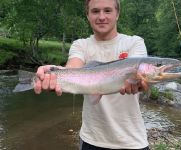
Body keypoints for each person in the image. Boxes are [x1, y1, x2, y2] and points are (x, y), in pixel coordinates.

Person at [34, 0, 150, 149]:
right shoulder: (80, 45)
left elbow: (141, 74)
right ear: (87, 15)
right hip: (91, 140)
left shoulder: (134, 42)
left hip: (132, 141)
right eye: (95, 11)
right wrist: (53, 72)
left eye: (107, 11)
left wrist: (140, 84)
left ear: (117, 14)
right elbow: (73, 68)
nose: (101, 17)